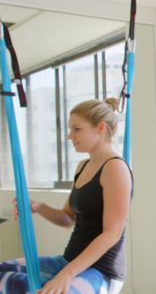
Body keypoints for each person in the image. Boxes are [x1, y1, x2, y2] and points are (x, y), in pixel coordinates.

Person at [1, 98, 132, 294]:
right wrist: (38, 206)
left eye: (77, 129)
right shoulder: (83, 167)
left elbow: (112, 234)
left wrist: (67, 275)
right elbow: (67, 219)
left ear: (101, 128)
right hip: (69, 261)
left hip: (100, 270)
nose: (70, 136)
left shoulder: (115, 168)